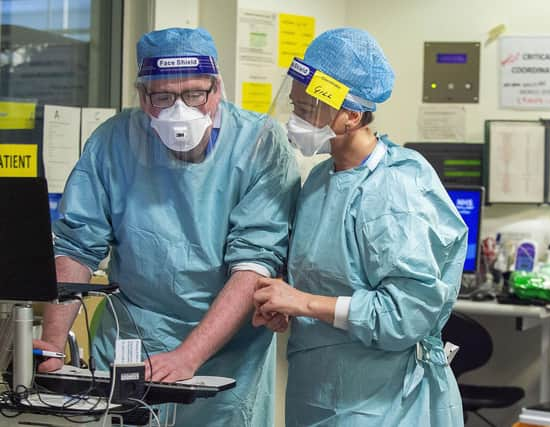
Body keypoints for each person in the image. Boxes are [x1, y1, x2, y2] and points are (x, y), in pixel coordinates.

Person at [35, 27, 300, 426]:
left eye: (196, 93)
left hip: (227, 354)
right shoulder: (113, 141)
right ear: (143, 97)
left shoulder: (259, 143)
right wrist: (52, 349)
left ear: (218, 89)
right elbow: (76, 246)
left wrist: (189, 355)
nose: (182, 109)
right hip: (131, 342)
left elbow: (254, 264)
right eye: (164, 96)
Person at [253, 28, 468, 426]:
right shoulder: (320, 180)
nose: (297, 120)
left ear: (352, 115)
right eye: (296, 107)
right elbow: (325, 283)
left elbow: (406, 313)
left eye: (310, 111)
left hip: (385, 404)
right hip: (319, 395)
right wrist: (287, 309)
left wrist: (302, 303)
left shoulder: (395, 187)